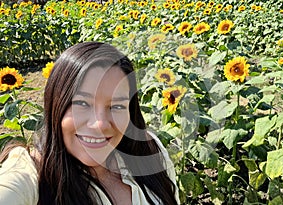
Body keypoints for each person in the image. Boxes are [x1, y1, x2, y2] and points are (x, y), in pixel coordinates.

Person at [0, 42, 179, 205]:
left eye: (117, 106)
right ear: (56, 104)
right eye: (82, 103)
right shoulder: (32, 176)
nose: (100, 124)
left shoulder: (150, 151)